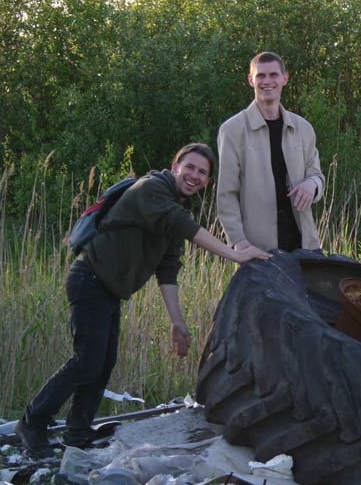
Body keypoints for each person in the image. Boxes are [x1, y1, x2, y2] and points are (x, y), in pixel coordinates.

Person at [14, 144, 271, 458]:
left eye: (202, 172)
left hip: (108, 290)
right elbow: (183, 226)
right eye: (189, 167)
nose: (195, 176)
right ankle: (32, 422)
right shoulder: (150, 189)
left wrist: (177, 323)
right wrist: (234, 254)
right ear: (175, 166)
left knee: (102, 363)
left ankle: (77, 434)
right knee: (87, 361)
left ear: (206, 181)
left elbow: (167, 269)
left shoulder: (176, 207)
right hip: (89, 279)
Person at [217, 51, 325, 253]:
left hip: (305, 244)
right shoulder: (232, 130)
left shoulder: (303, 128)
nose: (267, 81)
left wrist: (312, 184)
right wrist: (238, 241)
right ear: (251, 80)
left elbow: (317, 175)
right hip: (258, 248)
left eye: (274, 75)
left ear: (285, 78)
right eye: (261, 76)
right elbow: (226, 194)